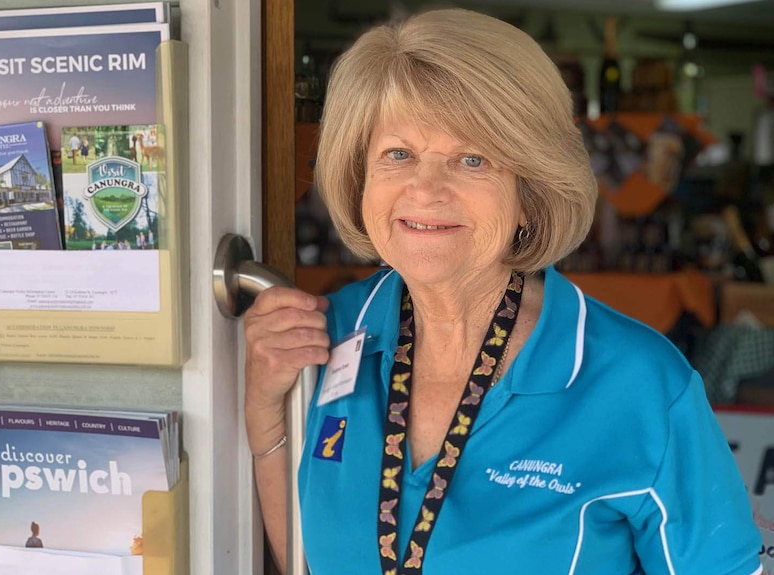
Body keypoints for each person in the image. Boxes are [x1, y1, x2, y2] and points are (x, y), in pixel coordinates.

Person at [243, 8, 762, 575]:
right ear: (359, 175)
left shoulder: (638, 383)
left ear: (529, 193)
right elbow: (302, 559)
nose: (425, 188)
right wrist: (267, 410)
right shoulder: (324, 336)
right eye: (399, 154)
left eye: (472, 159)